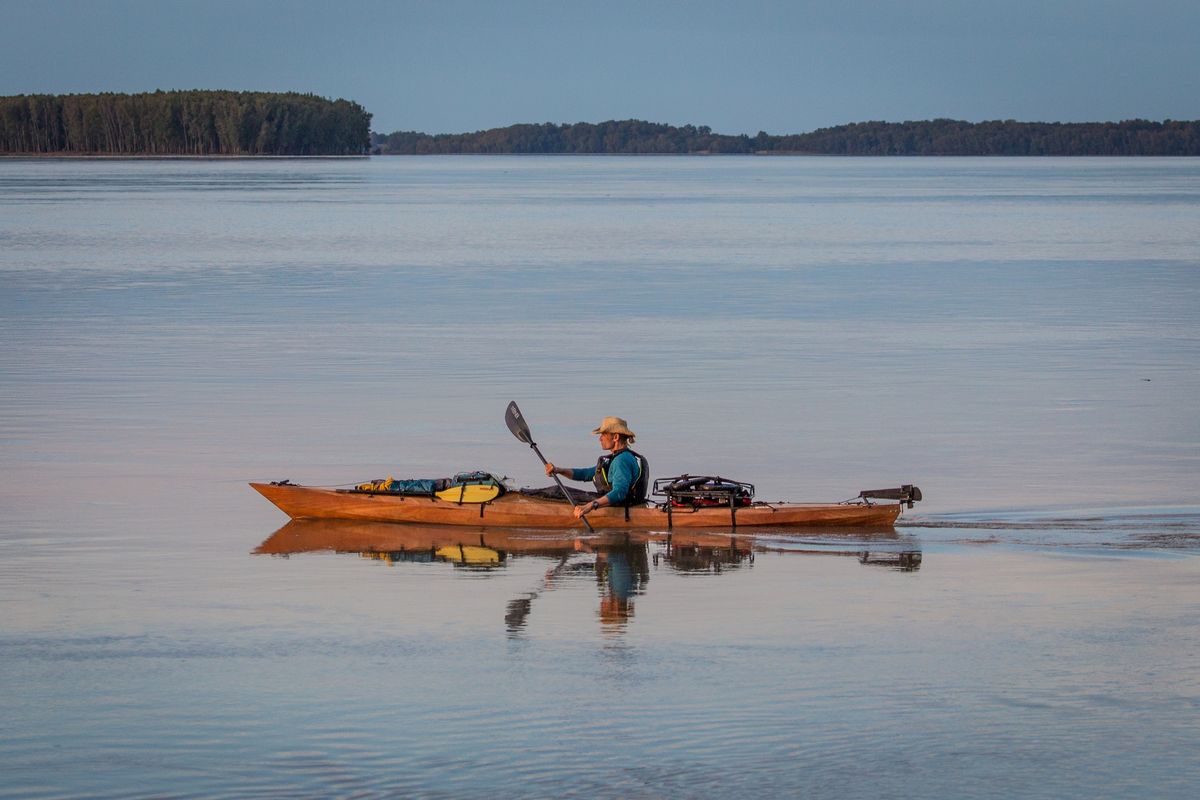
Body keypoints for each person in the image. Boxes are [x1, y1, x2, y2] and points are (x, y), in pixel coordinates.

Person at [545, 416, 650, 519]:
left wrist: (590, 506)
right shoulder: (618, 457)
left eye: (603, 434)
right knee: (559, 490)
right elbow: (586, 474)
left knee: (557, 492)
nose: (600, 439)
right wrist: (559, 470)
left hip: (625, 510)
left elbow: (619, 493)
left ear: (616, 437)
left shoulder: (621, 460)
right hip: (626, 505)